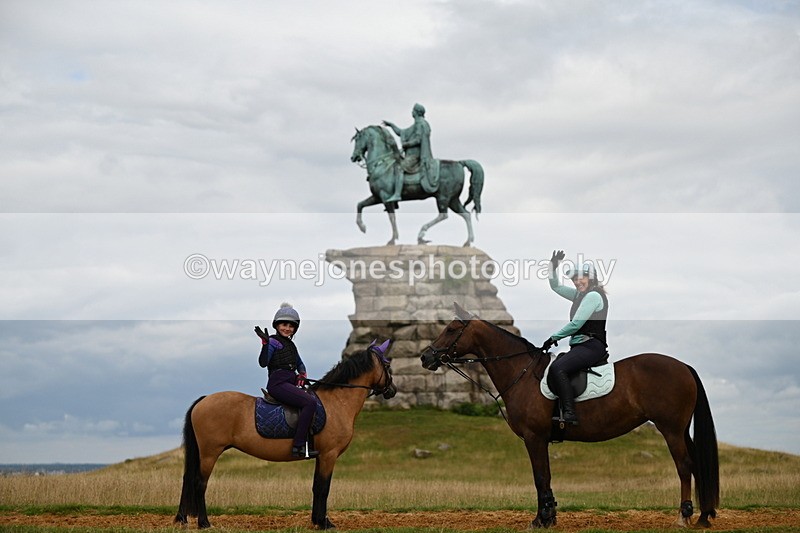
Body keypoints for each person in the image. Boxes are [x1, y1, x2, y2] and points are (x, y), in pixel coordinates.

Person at [542, 250, 609, 426]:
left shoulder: (593, 296)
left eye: (581, 278)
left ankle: (570, 413)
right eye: (574, 279)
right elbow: (556, 286)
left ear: (591, 278)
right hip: (580, 347)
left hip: (592, 346)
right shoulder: (579, 296)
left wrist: (553, 338)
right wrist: (553, 267)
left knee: (558, 368)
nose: (577, 282)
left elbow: (576, 324)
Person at [254, 303, 319, 458]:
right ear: (277, 325)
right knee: (310, 403)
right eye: (284, 324)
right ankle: (298, 446)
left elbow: (300, 364)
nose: (287, 328)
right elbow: (263, 363)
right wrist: (265, 345)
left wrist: (302, 375)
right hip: (278, 384)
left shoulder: (292, 346)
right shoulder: (272, 342)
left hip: (290, 382)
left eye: (291, 326)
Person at [382, 103, 433, 202]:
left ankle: (397, 194)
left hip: (415, 156)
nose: (412, 112)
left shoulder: (421, 124)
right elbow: (401, 132)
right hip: (410, 155)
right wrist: (391, 125)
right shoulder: (417, 124)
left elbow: (418, 140)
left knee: (399, 168)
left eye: (413, 110)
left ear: (417, 112)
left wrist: (406, 144)